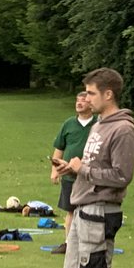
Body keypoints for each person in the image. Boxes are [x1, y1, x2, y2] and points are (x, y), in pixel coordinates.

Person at [32, 68, 134, 268]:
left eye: (91, 93)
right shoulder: (99, 125)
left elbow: (121, 175)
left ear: (108, 94)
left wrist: (84, 169)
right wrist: (72, 169)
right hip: (82, 206)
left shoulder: (123, 129)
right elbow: (92, 168)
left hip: (102, 210)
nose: (87, 98)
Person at [47, 90, 96, 253]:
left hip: (89, 175)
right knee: (70, 210)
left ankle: (90, 243)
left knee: (90, 209)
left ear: (91, 103)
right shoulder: (68, 124)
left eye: (83, 100)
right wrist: (54, 170)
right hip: (69, 176)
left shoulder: (98, 124)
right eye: (77, 100)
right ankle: (68, 244)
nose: (79, 103)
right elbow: (59, 148)